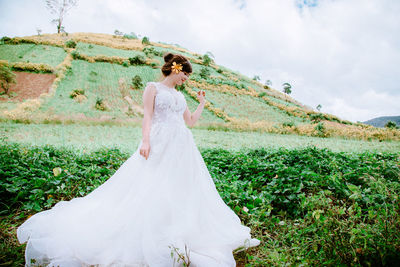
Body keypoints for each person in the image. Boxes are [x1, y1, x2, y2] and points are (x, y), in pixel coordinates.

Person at [17, 53, 260, 267]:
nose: (185, 80)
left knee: (180, 188)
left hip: (182, 147)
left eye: (187, 77)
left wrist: (202, 103)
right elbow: (147, 117)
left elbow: (191, 122)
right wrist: (145, 141)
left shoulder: (181, 96)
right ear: (175, 70)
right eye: (184, 75)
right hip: (159, 142)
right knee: (150, 185)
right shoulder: (153, 88)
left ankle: (177, 226)